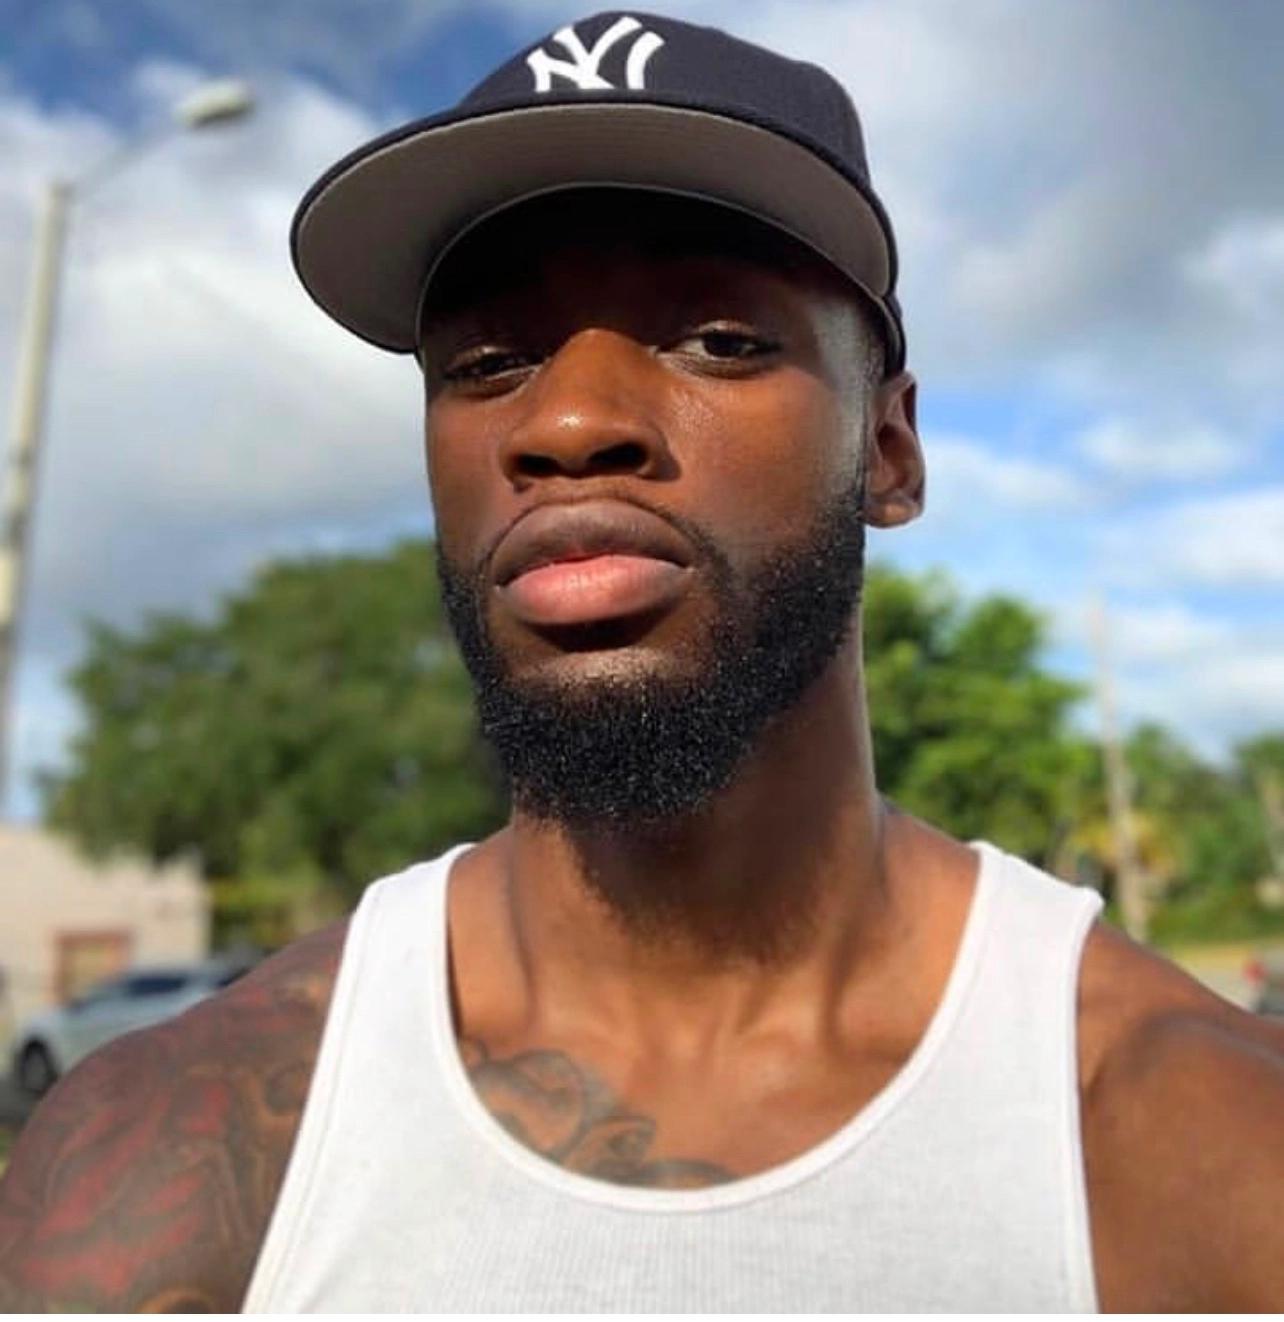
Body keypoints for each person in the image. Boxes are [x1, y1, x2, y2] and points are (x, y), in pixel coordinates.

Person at [2, 11, 1282, 1312]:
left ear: (890, 452)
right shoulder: (176, 1151)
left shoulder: (1208, 1146)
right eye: (488, 362)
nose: (565, 422)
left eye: (719, 338)